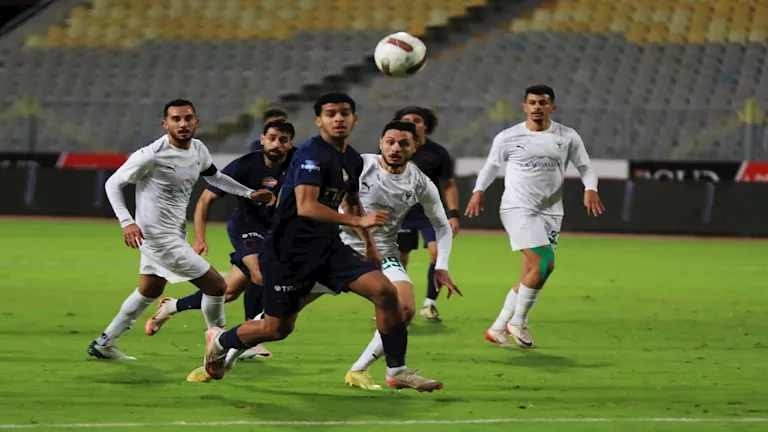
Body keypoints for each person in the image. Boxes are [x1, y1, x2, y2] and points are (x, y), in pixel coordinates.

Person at [193, 92, 444, 392]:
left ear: (354, 119)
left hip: (330, 249)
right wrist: (358, 222)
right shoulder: (310, 155)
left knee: (385, 293)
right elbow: (306, 206)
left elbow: (352, 202)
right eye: (330, 114)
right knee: (276, 328)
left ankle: (397, 370)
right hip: (290, 253)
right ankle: (221, 341)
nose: (338, 119)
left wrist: (369, 244)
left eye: (344, 113)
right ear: (319, 121)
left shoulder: (351, 159)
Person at [88, 99, 272, 360]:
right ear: (166, 124)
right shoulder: (151, 154)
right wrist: (126, 221)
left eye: (187, 118)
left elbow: (215, 177)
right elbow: (112, 183)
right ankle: (221, 346)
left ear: (196, 122)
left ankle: (105, 343)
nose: (183, 124)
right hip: (157, 238)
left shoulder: (198, 149)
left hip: (174, 234)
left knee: (150, 290)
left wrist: (249, 193)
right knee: (217, 286)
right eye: (176, 119)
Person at [465, 85, 605, 349]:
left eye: (543, 102)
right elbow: (491, 166)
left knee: (531, 272)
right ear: (525, 107)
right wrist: (478, 191)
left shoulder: (567, 136)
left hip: (551, 211)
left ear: (552, 107)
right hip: (517, 208)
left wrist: (591, 189)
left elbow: (585, 167)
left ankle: (497, 328)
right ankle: (518, 322)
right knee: (545, 264)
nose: (537, 107)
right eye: (532, 102)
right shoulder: (508, 137)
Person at [143, 120, 296, 361]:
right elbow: (205, 200)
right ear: (263, 139)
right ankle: (252, 336)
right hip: (247, 227)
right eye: (272, 138)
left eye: (283, 140)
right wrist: (199, 238)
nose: (277, 144)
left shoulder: (298, 162)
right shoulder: (245, 166)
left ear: (290, 144)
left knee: (229, 291)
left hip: (275, 232)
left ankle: (172, 307)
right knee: (261, 275)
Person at [342, 121, 461, 390]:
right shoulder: (360, 166)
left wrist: (441, 266)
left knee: (404, 308)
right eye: (390, 142)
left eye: (404, 144)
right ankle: (240, 344)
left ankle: (367, 370)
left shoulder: (420, 181)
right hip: (339, 246)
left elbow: (442, 226)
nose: (396, 148)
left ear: (415, 147)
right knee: (280, 321)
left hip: (384, 251)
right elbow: (338, 203)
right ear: (381, 143)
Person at [393, 107, 460, 323]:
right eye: (406, 120)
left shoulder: (438, 153)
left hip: (429, 212)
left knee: (436, 253)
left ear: (426, 126)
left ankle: (429, 304)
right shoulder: (391, 148)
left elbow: (448, 185)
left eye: (417, 120)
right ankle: (395, 304)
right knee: (399, 259)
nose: (411, 123)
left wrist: (453, 214)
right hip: (401, 212)